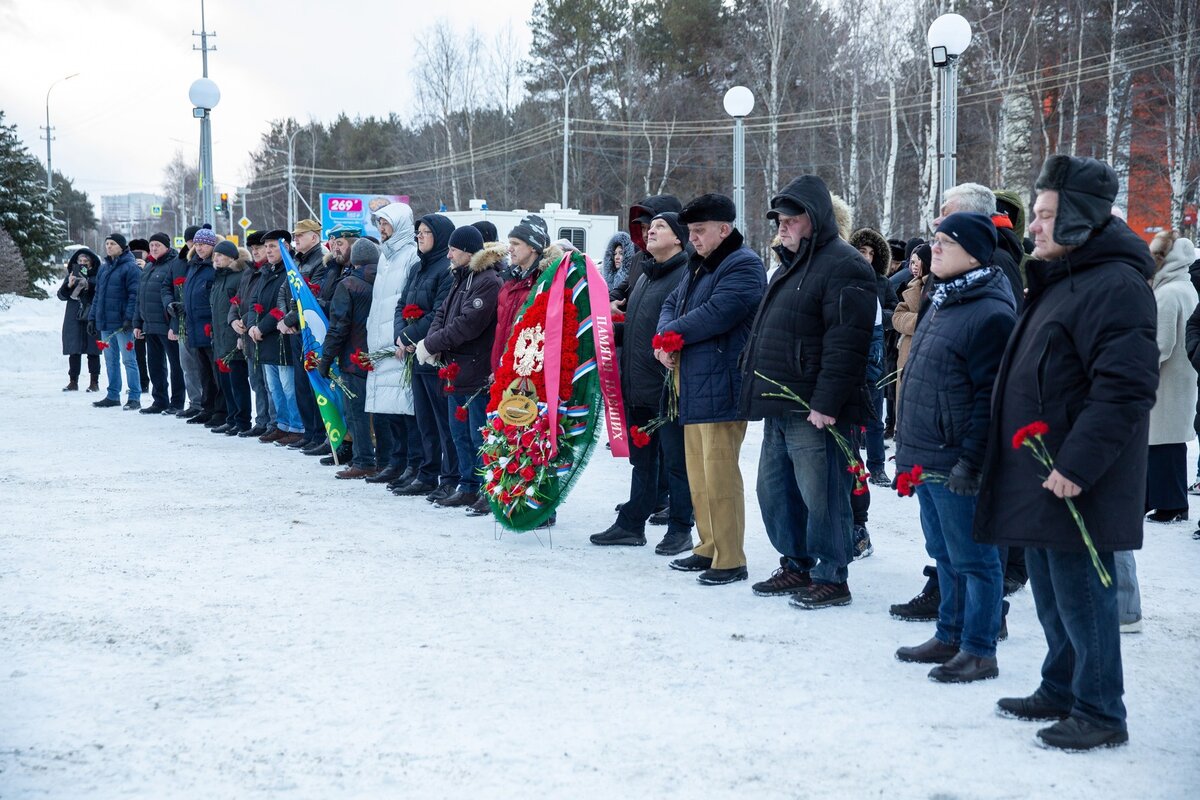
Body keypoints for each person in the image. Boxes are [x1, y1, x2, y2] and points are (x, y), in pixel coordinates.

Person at [977, 155, 1158, 751]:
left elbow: (1125, 387)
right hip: (1041, 467)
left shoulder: (1116, 286)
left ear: (1080, 220)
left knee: (1082, 594)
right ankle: (1061, 686)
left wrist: (1077, 465)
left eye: (1048, 215)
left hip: (1077, 474)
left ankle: (1101, 711)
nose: (1034, 226)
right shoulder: (1063, 277)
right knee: (1053, 594)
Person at [739, 176, 875, 608]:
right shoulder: (787, 266)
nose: (781, 226)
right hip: (781, 403)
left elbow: (847, 343)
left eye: (790, 219)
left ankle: (832, 575)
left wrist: (826, 403)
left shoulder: (846, 264)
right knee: (774, 490)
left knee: (824, 495)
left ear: (814, 220)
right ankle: (795, 563)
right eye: (779, 218)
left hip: (814, 409)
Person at [893, 212, 1016, 683]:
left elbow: (992, 397)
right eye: (935, 240)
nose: (934, 249)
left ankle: (979, 649)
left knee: (976, 560)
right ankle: (949, 634)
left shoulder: (990, 311)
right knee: (943, 552)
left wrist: (973, 459)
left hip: (956, 456)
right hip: (927, 451)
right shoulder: (942, 299)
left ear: (975, 253)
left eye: (946, 242)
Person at [658, 193, 766, 586]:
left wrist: (668, 336)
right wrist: (663, 337)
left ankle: (731, 557)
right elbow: (671, 303)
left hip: (724, 381)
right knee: (699, 474)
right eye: (690, 232)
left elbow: (718, 313)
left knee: (720, 475)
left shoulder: (744, 265)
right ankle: (708, 546)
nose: (693, 239)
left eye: (699, 231)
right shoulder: (698, 266)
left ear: (725, 229)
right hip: (695, 382)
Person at [591, 210, 694, 554]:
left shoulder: (686, 275)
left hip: (668, 387)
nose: (650, 232)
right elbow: (636, 329)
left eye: (660, 227)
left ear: (679, 238)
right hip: (637, 386)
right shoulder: (647, 275)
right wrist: (600, 333)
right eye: (650, 228)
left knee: (676, 464)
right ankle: (632, 523)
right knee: (643, 462)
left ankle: (680, 528)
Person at [417, 225, 503, 508]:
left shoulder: (487, 281)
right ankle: (467, 485)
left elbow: (468, 324)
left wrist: (432, 344)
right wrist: (432, 341)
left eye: (453, 250)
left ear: (468, 251)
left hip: (475, 370)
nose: (449, 254)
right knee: (459, 434)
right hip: (455, 368)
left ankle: (485, 488)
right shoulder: (461, 277)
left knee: (478, 434)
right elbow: (443, 314)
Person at [391, 212, 457, 498]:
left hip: (435, 355)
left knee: (443, 422)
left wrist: (409, 336)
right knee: (424, 420)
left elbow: (438, 313)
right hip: (415, 355)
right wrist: (400, 334)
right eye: (418, 232)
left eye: (426, 232)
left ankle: (450, 475)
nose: (420, 236)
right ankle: (427, 473)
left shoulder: (445, 269)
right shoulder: (418, 268)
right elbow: (401, 303)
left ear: (440, 236)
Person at [365, 203, 422, 488]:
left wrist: (407, 336)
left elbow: (411, 301)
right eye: (379, 223)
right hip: (381, 342)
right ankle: (395, 461)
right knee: (388, 410)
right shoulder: (386, 257)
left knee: (406, 409)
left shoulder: (411, 255)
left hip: (400, 343)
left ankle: (413, 464)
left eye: (385, 223)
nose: (381, 228)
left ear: (399, 224)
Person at [1144, 230, 1198, 522]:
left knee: (1162, 445)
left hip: (1164, 382)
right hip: (1180, 379)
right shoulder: (1185, 287)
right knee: (1168, 444)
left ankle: (1171, 504)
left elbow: (1160, 344)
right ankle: (1166, 502)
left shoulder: (1167, 294)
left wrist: (1139, 369)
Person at [320, 238, 380, 479]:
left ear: (354, 260)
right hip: (379, 356)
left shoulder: (349, 284)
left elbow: (339, 326)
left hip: (353, 357)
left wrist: (326, 359)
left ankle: (363, 460)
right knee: (380, 414)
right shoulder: (384, 280)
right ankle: (382, 459)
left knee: (356, 412)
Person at [849, 226, 898, 488]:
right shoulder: (843, 277)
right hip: (848, 353)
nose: (866, 257)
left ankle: (877, 467)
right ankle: (853, 465)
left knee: (875, 416)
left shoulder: (883, 282)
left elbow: (893, 310)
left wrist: (880, 319)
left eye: (870, 252)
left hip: (875, 355)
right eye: (861, 251)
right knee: (850, 417)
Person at [248, 230, 304, 444]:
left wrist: (261, 327)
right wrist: (253, 325)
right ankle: (281, 425)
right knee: (274, 387)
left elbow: (281, 307)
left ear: (286, 247)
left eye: (273, 246)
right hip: (264, 339)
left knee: (289, 387)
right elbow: (255, 301)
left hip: (282, 337)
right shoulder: (266, 271)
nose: (268, 251)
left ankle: (297, 427)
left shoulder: (289, 271)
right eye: (267, 247)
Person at [279, 219, 327, 451]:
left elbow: (311, 298)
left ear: (314, 238)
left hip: (311, 330)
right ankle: (310, 432)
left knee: (313, 384)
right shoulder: (296, 260)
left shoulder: (321, 261)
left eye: (300, 235)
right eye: (294, 235)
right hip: (296, 328)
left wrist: (290, 319)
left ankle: (319, 434)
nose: (295, 239)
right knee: (301, 383)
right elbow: (284, 290)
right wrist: (285, 319)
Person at [229, 230, 275, 438]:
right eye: (253, 249)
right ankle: (262, 420)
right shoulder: (248, 272)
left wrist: (246, 321)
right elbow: (237, 300)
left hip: (263, 333)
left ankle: (273, 423)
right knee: (256, 381)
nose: (256, 252)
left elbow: (263, 304)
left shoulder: (269, 271)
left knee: (269, 384)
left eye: (260, 248)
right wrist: (233, 320)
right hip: (247, 334)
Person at [88, 233, 142, 410]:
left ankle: (134, 396)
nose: (108, 246)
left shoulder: (130, 267)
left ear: (121, 246)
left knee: (129, 360)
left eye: (112, 243)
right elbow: (98, 295)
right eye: (107, 243)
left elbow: (135, 295)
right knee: (110, 361)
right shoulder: (104, 268)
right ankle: (113, 395)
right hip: (106, 323)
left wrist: (129, 318)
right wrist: (92, 317)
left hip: (122, 324)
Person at [134, 233, 184, 414]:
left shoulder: (174, 264)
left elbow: (178, 296)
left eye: (158, 245)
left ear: (167, 247)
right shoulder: (148, 267)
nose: (154, 248)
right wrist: (137, 323)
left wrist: (175, 325)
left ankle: (177, 402)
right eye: (152, 245)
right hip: (149, 325)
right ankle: (159, 400)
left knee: (175, 364)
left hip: (167, 325)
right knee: (155, 365)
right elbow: (140, 298)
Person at [180, 227, 225, 428]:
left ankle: (220, 411)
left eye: (204, 244)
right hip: (195, 327)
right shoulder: (193, 265)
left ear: (212, 245)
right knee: (203, 372)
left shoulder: (214, 267)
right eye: (197, 244)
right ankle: (207, 409)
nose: (199, 248)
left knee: (217, 373)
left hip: (210, 328)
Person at [165, 224, 211, 418]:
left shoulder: (209, 263)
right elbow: (165, 287)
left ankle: (208, 404)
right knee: (188, 365)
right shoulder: (180, 262)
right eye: (192, 242)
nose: (195, 246)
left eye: (199, 243)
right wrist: (171, 305)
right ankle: (195, 402)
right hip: (183, 321)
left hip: (203, 323)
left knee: (206, 367)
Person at [209, 240, 251, 434]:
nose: (215, 258)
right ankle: (231, 417)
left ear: (231, 258)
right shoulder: (219, 278)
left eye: (219, 255)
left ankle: (242, 420)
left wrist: (239, 335)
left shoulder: (239, 277)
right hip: (219, 339)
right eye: (214, 255)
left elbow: (240, 307)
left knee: (238, 383)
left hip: (234, 339)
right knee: (225, 383)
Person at [57, 247, 101, 392]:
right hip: (73, 316)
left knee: (93, 349)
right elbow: (61, 296)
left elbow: (100, 293)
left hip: (91, 315)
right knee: (73, 348)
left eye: (85, 261)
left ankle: (94, 382)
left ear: (92, 263)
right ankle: (73, 381)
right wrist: (69, 284)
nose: (82, 263)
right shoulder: (71, 275)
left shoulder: (97, 276)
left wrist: (89, 284)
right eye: (80, 261)